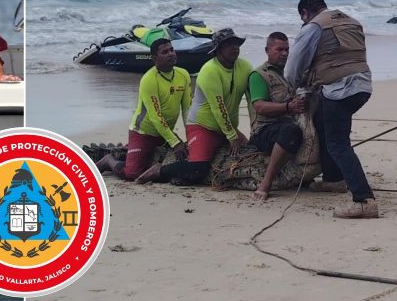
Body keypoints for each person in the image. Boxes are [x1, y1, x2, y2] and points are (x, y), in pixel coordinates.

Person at [285, 0, 377, 219]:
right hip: (363, 85)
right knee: (323, 123)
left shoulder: (314, 27)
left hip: (341, 90)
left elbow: (293, 68)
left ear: (304, 13)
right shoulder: (351, 21)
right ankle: (334, 179)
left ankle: (364, 200)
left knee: (338, 143)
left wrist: (292, 90)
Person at [140, 28, 253, 186]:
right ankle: (159, 170)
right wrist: (232, 136)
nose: (235, 47)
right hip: (202, 126)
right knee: (199, 168)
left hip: (227, 127)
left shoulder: (245, 66)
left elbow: (251, 101)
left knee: (252, 152)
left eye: (236, 43)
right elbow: (218, 107)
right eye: (229, 44)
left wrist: (254, 128)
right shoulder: (209, 71)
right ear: (218, 49)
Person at [95, 38, 192, 182]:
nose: (171, 54)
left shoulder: (183, 74)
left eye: (172, 50)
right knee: (132, 174)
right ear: (154, 58)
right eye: (165, 52)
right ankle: (108, 160)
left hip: (165, 133)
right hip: (143, 132)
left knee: (185, 159)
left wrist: (190, 136)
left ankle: (130, 153)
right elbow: (155, 116)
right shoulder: (149, 79)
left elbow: (187, 110)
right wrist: (175, 142)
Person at [247, 32, 306, 201]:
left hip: (286, 123)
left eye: (287, 50)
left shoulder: (287, 75)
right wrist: (288, 107)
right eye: (279, 50)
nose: (284, 53)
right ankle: (265, 184)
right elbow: (260, 107)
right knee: (291, 131)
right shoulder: (259, 75)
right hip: (264, 130)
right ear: (267, 50)